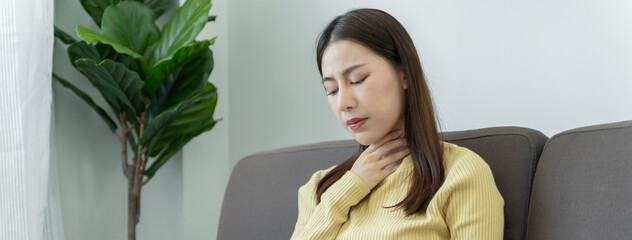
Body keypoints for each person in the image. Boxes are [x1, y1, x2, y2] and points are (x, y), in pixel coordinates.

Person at [290, 8, 504, 240]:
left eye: (357, 80)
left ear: (404, 74)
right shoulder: (318, 189)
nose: (343, 103)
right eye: (331, 90)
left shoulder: (460, 173)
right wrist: (350, 187)